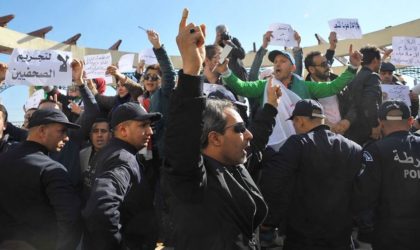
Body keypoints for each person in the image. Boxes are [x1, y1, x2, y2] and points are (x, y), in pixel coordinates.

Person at [162, 9, 281, 249]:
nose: (247, 134)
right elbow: (182, 140)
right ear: (214, 138)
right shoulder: (195, 181)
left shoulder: (235, 161)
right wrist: (190, 72)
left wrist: (269, 107)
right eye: (239, 129)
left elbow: (255, 142)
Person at [260, 99, 362, 249]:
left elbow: (274, 183)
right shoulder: (354, 148)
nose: (294, 127)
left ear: (300, 121)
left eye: (294, 123)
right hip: (341, 235)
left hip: (302, 236)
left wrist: (268, 221)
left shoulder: (297, 144)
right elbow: (361, 190)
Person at [221, 45, 361, 150]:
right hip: (274, 149)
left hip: (305, 146)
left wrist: (353, 67)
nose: (277, 64)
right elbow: (242, 87)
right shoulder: (265, 85)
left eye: (282, 61)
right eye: (275, 61)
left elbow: (333, 87)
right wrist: (226, 71)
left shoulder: (306, 86)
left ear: (293, 68)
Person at [82, 102, 162, 250]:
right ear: (123, 130)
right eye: (143, 125)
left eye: (150, 126)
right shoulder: (122, 158)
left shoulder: (111, 152)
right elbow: (101, 209)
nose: (150, 131)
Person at [0, 108, 82, 250]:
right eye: (62, 131)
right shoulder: (52, 170)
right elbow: (70, 220)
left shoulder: (4, 159)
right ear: (42, 130)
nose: (66, 137)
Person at [353, 100, 420, 249]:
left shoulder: (374, 151)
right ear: (410, 121)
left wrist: (366, 230)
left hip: (388, 234)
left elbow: (364, 195)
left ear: (380, 122)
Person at [341, 46, 382, 145]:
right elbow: (370, 102)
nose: (381, 63)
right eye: (380, 60)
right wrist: (375, 126)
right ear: (375, 60)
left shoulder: (355, 77)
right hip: (368, 133)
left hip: (353, 132)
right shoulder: (373, 76)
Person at [80, 117, 112, 201]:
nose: (99, 135)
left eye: (103, 131)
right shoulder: (82, 154)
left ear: (111, 135)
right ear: (90, 135)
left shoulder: (115, 156)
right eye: (95, 131)